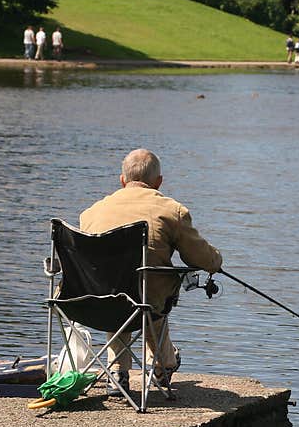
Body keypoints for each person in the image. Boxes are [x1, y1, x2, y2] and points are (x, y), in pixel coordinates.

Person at [79, 149, 223, 398]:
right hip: (147, 301)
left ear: (122, 180)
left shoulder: (91, 213)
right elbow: (200, 259)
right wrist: (216, 261)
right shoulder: (171, 211)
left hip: (92, 301)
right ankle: (162, 363)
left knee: (116, 287)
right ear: (158, 182)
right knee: (152, 287)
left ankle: (117, 372)